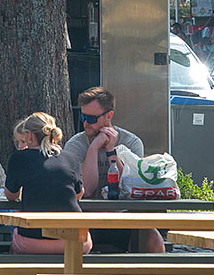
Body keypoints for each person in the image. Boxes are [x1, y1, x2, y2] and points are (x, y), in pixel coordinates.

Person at [4, 112, 87, 275]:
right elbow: (79, 193)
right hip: (77, 238)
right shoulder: (69, 157)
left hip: (34, 240)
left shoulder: (20, 158)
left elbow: (10, 195)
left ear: (30, 136)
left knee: (17, 245)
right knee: (66, 256)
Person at [60, 86, 162, 254]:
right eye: (83, 116)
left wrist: (111, 151)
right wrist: (93, 148)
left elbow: (129, 187)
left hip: (124, 217)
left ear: (109, 116)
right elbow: (87, 189)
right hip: (86, 218)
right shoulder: (75, 145)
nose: (85, 123)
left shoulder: (131, 142)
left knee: (154, 240)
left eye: (91, 118)